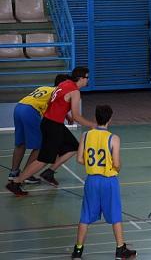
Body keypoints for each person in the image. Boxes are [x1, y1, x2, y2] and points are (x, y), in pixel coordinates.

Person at [6, 67, 95, 196]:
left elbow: (55, 103)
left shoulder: (64, 84)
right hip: (53, 125)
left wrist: (66, 116)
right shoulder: (75, 92)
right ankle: (16, 182)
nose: (88, 80)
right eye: (87, 77)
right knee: (43, 159)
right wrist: (92, 125)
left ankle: (49, 172)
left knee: (73, 147)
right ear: (81, 78)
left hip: (50, 123)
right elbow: (77, 116)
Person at [71, 105, 136, 259]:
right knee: (115, 215)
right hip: (108, 181)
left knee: (85, 216)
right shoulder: (113, 138)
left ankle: (78, 250)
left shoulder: (86, 136)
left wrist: (93, 165)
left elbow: (80, 159)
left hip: (92, 180)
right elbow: (117, 163)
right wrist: (115, 169)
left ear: (95, 117)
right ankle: (120, 249)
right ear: (110, 119)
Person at [8, 74, 70, 184]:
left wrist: (67, 116)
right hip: (31, 111)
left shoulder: (44, 88)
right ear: (62, 84)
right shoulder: (58, 92)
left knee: (20, 143)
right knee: (40, 146)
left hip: (19, 107)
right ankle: (27, 174)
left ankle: (14, 172)